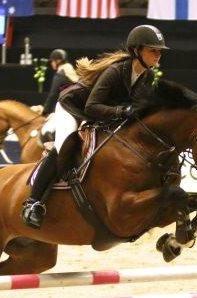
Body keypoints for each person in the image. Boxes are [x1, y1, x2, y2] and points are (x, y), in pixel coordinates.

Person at [21, 25, 169, 229]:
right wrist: (120, 111)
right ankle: (33, 203)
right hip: (72, 108)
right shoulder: (116, 71)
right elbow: (91, 106)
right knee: (64, 147)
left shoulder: (147, 77)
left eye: (159, 51)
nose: (158, 55)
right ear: (137, 51)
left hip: (99, 115)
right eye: (153, 50)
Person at [42, 49, 78, 116]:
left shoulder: (61, 74)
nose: (51, 63)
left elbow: (53, 95)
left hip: (67, 109)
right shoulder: (70, 69)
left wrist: (45, 111)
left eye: (52, 61)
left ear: (58, 61)